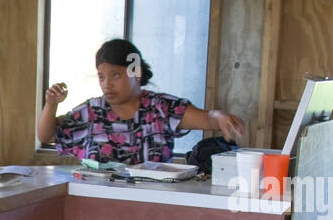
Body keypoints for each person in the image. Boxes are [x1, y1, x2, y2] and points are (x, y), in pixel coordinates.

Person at [37, 38, 247, 163]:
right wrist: (51, 104)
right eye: (102, 76)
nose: (107, 84)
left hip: (151, 203)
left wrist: (220, 117)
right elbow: (46, 135)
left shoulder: (160, 108)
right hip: (96, 202)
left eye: (116, 75)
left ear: (135, 73)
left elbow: (206, 119)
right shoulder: (91, 111)